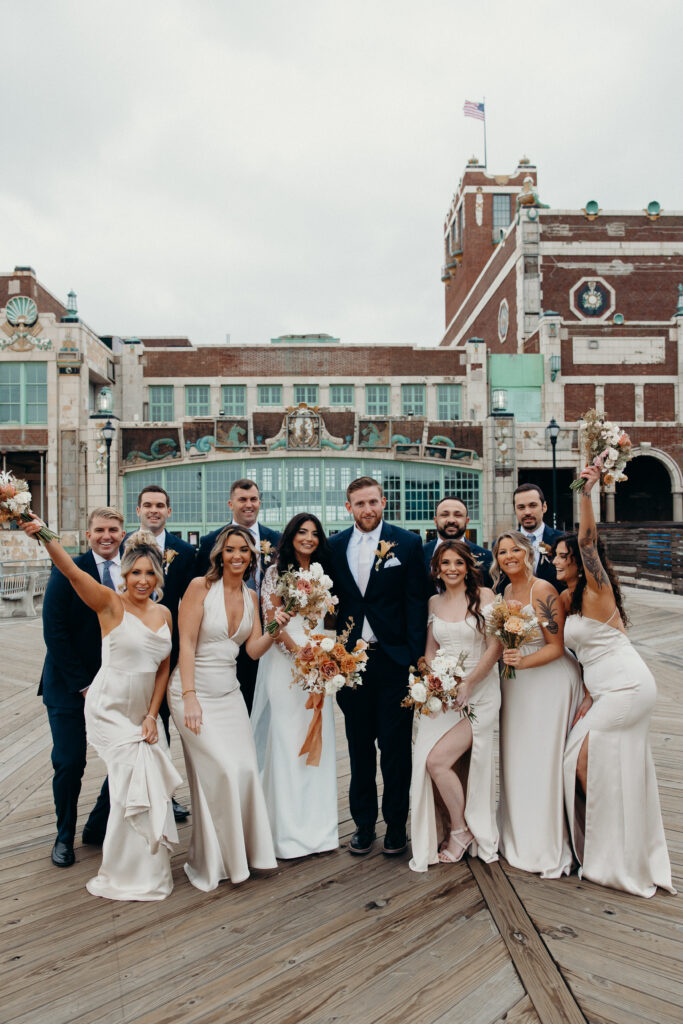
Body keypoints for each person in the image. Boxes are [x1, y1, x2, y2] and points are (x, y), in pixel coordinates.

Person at [21, 515, 181, 900]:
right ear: (124, 575)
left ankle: (140, 861)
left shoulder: (164, 614)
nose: (142, 580)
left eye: (149, 573)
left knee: (144, 778)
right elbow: (72, 573)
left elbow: (164, 667)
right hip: (107, 704)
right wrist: (44, 534)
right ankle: (105, 858)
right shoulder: (109, 603)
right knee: (114, 769)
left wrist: (151, 715)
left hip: (140, 708)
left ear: (158, 577)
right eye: (135, 573)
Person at [553, 464, 675, 897]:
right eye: (556, 556)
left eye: (563, 556)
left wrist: (586, 491)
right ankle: (605, 846)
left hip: (628, 686)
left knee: (584, 760)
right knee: (579, 762)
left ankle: (615, 855)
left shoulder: (596, 588)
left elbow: (588, 539)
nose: (558, 560)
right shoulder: (566, 599)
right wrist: (585, 692)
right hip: (602, 690)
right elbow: (575, 653)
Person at [168, 524, 290, 890]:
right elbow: (186, 644)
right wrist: (189, 695)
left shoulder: (252, 597)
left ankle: (250, 854)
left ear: (253, 556)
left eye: (244, 551)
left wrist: (274, 628)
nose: (237, 556)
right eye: (231, 550)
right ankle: (217, 860)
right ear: (220, 554)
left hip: (230, 693)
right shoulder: (199, 588)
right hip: (192, 690)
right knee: (220, 770)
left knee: (246, 770)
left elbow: (251, 652)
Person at [329, 477, 428, 857]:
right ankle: (364, 825)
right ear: (348, 507)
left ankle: (396, 827)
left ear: (383, 502)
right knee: (358, 748)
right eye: (359, 503)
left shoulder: (407, 542)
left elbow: (416, 602)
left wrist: (415, 657)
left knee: (395, 748)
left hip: (394, 660)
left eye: (373, 502)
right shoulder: (335, 546)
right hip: (351, 664)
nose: (367, 509)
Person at [36, 506, 125, 867]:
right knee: (70, 761)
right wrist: (84, 686)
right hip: (69, 685)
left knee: (124, 758)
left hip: (117, 685)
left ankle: (97, 825)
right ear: (89, 535)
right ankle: (64, 836)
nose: (107, 536)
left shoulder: (132, 570)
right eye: (100, 529)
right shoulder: (67, 569)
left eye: (114, 530)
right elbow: (54, 631)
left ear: (123, 533)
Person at [493, 531, 581, 878]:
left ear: (528, 553)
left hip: (547, 681)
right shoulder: (503, 593)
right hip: (515, 686)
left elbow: (556, 646)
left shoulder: (541, 589)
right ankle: (518, 833)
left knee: (541, 759)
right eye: (502, 551)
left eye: (515, 549)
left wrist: (519, 662)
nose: (509, 556)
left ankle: (544, 842)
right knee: (517, 757)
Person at [409, 541, 501, 872]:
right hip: (444, 695)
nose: (451, 568)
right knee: (423, 760)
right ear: (436, 567)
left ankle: (461, 830)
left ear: (467, 567)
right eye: (444, 562)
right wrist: (434, 680)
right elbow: (431, 649)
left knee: (437, 761)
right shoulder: (434, 601)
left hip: (480, 692)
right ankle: (444, 827)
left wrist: (469, 683)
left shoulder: (486, 597)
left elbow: (495, 648)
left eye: (457, 563)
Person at [251, 514, 338, 859]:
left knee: (320, 742)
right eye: (302, 532)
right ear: (291, 536)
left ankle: (321, 831)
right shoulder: (275, 574)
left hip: (319, 663)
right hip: (285, 665)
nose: (309, 538)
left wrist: (326, 655)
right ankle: (286, 834)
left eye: (315, 534)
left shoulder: (324, 573)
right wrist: (300, 654)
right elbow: (272, 622)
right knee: (288, 744)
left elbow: (329, 619)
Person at [135, 484, 195, 822]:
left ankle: (168, 794)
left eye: (160, 505)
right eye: (147, 505)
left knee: (168, 725)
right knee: (139, 724)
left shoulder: (185, 552)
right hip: (134, 655)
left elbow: (191, 605)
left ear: (169, 512)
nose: (154, 510)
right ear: (139, 510)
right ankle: (141, 792)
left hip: (171, 654)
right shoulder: (124, 548)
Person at [195, 479, 281, 713]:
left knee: (265, 709)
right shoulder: (210, 542)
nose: (248, 504)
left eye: (253, 499)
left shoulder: (276, 540)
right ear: (230, 503)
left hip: (267, 638)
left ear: (260, 503)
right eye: (242, 499)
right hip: (223, 640)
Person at [423, 495, 493, 588]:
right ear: (436, 521)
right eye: (445, 515)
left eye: (458, 515)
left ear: (467, 521)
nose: (451, 520)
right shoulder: (419, 554)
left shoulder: (487, 558)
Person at [511, 483, 564, 589]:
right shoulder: (505, 544)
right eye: (521, 507)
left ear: (544, 507)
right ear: (515, 510)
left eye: (532, 505)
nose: (527, 512)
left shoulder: (561, 541)